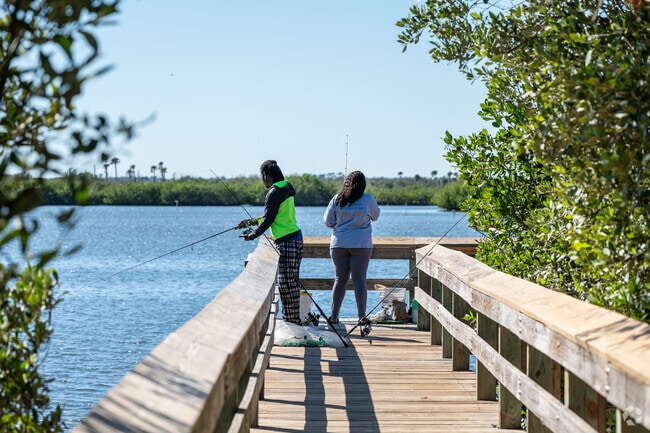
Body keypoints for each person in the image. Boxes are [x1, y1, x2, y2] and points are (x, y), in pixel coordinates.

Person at [239, 160, 303, 325]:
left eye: (262, 176)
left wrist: (252, 235)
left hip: (286, 241)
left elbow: (268, 220)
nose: (262, 180)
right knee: (292, 283)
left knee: (286, 286)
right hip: (296, 238)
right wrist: (250, 223)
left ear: (266, 175)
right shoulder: (286, 187)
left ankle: (292, 324)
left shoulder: (274, 193)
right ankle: (293, 321)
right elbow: (273, 214)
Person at [323, 171, 380, 331]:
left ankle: (334, 317)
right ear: (363, 185)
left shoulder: (337, 199)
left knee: (339, 279)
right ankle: (361, 317)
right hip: (361, 244)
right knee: (359, 280)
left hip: (338, 244)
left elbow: (328, 221)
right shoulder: (367, 199)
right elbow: (376, 216)